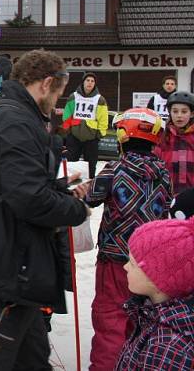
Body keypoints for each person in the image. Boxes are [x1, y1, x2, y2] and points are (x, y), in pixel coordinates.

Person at [0, 49, 89, 370]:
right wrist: (74, 208)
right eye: (58, 93)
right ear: (47, 83)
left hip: (16, 264)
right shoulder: (15, 121)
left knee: (33, 361)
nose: (57, 102)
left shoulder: (11, 114)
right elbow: (26, 198)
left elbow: (10, 183)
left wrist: (57, 188)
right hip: (6, 267)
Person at [81, 107, 172, 371]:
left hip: (116, 259)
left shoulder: (115, 169)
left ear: (122, 134)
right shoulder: (162, 173)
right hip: (152, 261)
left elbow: (89, 197)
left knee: (111, 319)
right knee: (142, 320)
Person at [115, 217, 194, 370]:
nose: (125, 267)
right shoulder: (151, 314)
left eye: (132, 263)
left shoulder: (167, 347)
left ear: (157, 281)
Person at [61, 72, 109, 179]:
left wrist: (100, 133)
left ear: (95, 84)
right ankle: (68, 184)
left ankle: (89, 185)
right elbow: (67, 114)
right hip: (74, 136)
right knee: (71, 162)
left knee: (91, 165)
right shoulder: (73, 96)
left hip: (91, 138)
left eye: (92, 81)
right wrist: (68, 130)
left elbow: (103, 118)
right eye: (87, 80)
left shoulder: (100, 99)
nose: (90, 83)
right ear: (83, 82)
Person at [154, 91, 194, 194]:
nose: (179, 116)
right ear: (170, 112)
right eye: (175, 111)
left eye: (184, 112)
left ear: (192, 113)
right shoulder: (162, 136)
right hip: (166, 196)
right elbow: (154, 164)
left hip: (190, 197)